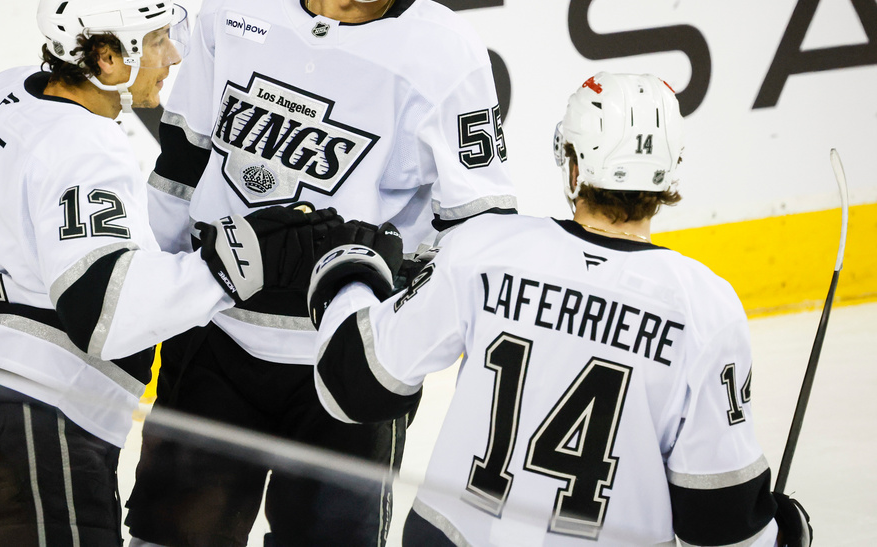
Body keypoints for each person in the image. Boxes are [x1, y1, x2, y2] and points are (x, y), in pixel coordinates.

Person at [124, 0, 518, 547]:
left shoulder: (445, 55)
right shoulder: (241, 1)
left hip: (349, 367)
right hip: (217, 341)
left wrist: (414, 349)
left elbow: (479, 226)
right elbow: (182, 162)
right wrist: (149, 300)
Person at [0, 0, 338, 547]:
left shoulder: (0, 93)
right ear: (107, 57)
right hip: (32, 403)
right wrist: (237, 260)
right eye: (156, 39)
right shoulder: (84, 146)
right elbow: (105, 313)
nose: (174, 56)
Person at [310, 72, 814, 546]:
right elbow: (716, 518)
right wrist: (780, 530)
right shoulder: (705, 306)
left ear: (574, 164)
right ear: (669, 172)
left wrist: (348, 274)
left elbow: (358, 386)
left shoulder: (486, 248)